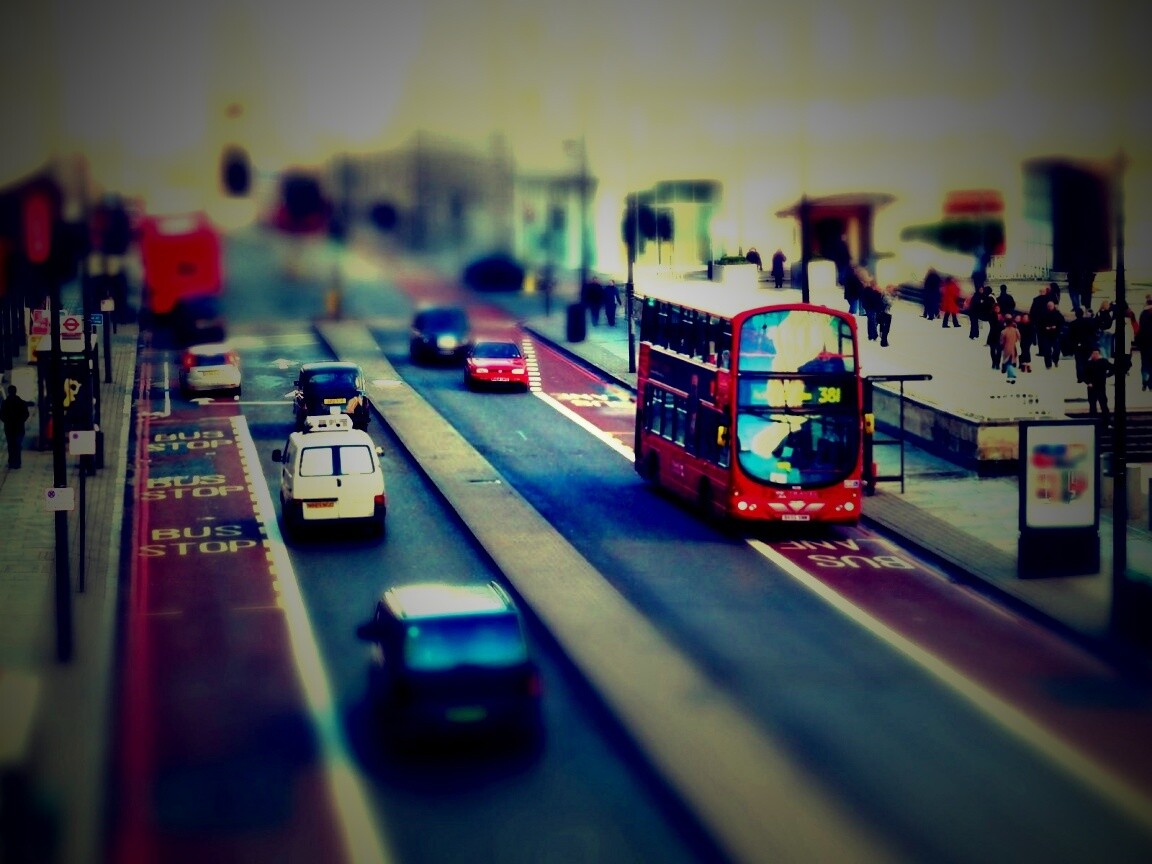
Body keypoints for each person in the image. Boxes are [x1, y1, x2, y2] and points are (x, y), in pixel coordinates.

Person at [1082, 348, 1114, 426]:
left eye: (1096, 353)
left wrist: (1107, 375)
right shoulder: (1089, 363)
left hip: (1100, 386)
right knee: (1092, 403)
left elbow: (1112, 368)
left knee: (1103, 403)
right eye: (1094, 354)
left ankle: (1106, 420)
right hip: (1092, 386)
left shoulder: (1103, 361)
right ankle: (1093, 420)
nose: (1095, 355)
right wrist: (1088, 382)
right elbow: (1084, 374)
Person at [1, 384, 31, 469]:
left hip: (10, 428)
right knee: (16, 445)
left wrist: (7, 421)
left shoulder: (5, 403)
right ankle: (16, 462)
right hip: (18, 428)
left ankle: (12, 462)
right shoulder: (21, 402)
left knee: (12, 445)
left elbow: (2, 414)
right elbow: (26, 414)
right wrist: (20, 421)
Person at [1136, 295, 1152, 390]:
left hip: (1144, 344)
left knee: (1144, 364)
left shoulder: (1143, 314)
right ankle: (1150, 383)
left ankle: (1144, 382)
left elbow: (1141, 329)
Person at [999, 316, 1021, 383]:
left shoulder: (1004, 331)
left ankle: (1010, 374)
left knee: (1007, 361)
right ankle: (1010, 374)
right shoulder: (1016, 330)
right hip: (1014, 348)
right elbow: (1019, 338)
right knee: (1011, 361)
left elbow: (1001, 341)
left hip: (1006, 348)